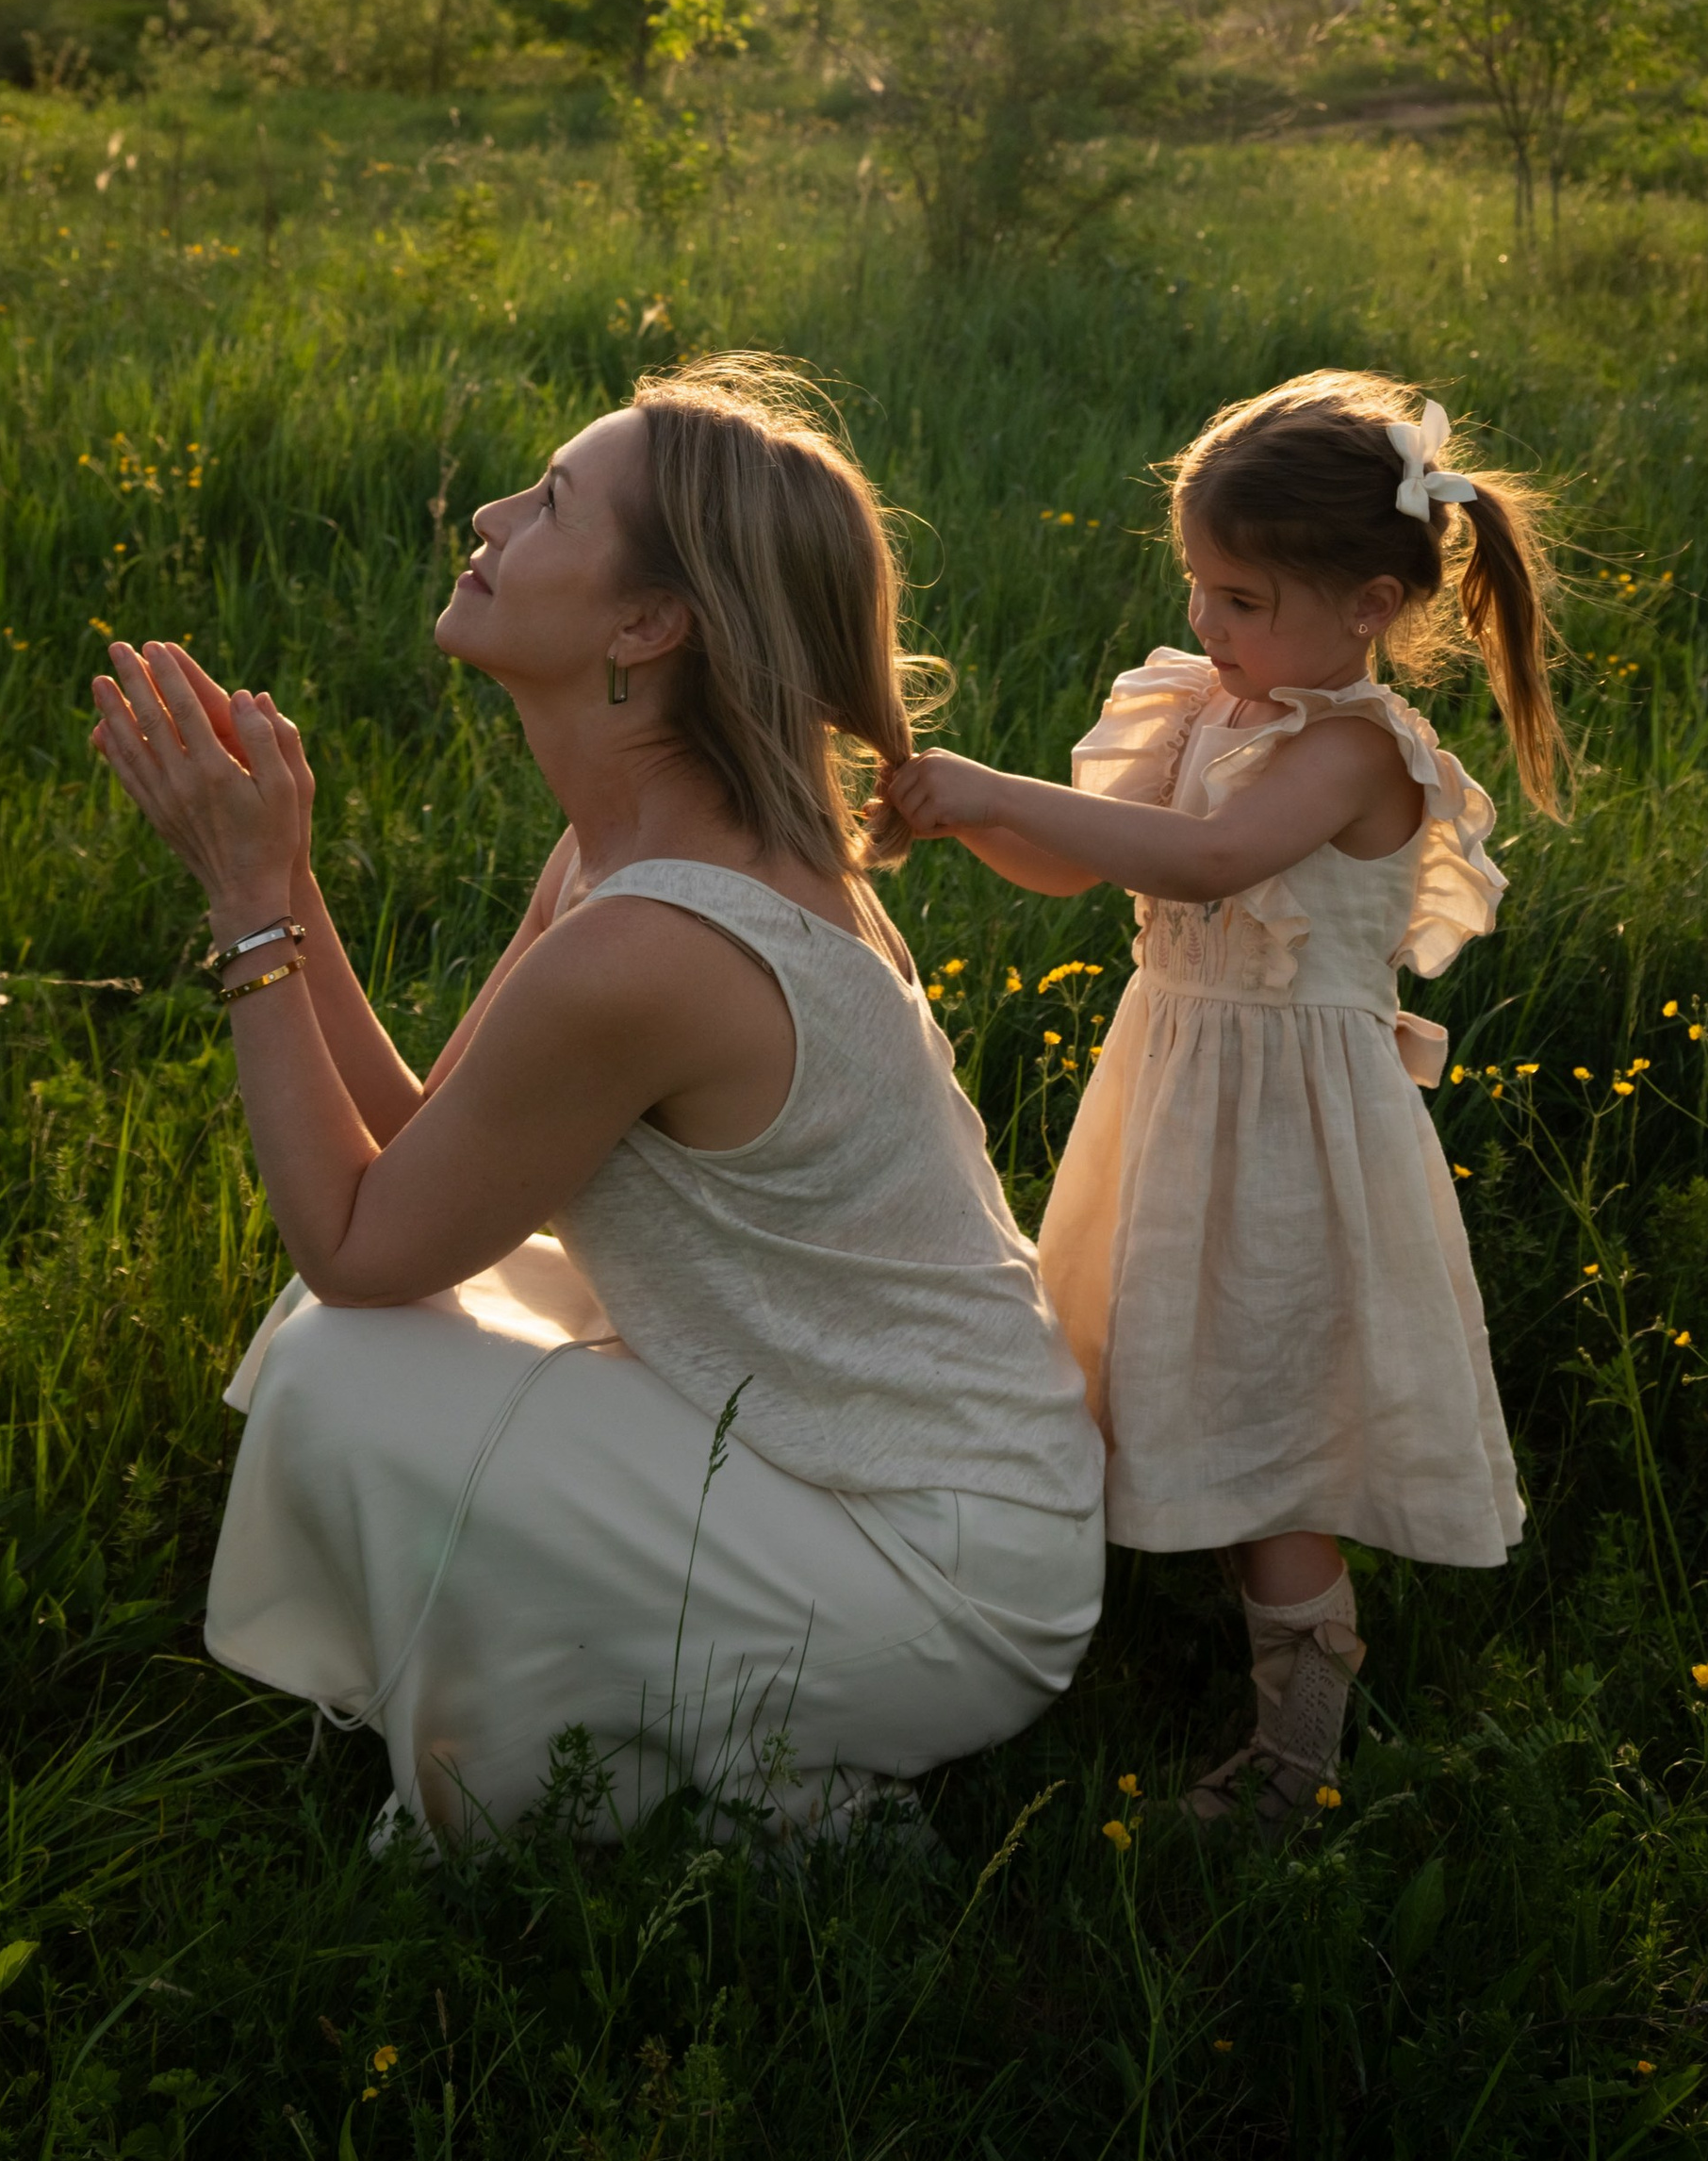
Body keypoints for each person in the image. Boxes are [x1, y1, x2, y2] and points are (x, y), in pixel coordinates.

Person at [91, 354, 1102, 1844]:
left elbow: (357, 1241)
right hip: (862, 1464)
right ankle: (693, 1755)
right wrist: (292, 880)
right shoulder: (628, 856)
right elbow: (422, 1149)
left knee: (351, 1360)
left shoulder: (656, 941)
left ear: (647, 625)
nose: (492, 515)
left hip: (938, 1577)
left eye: (551, 502)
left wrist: (251, 917)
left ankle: (768, 1794)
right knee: (367, 1344)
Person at [879, 371, 1563, 1833]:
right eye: (1199, 588)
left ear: (1371, 604)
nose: (1208, 625)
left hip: (1292, 1134)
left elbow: (1202, 863)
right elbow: (1083, 864)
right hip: (1176, 1086)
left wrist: (992, 787)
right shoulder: (1205, 700)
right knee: (1149, 1354)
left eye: (1241, 599)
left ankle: (1298, 1738)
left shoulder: (1351, 750)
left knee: (1276, 1414)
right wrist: (958, 816)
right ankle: (1089, 1614)